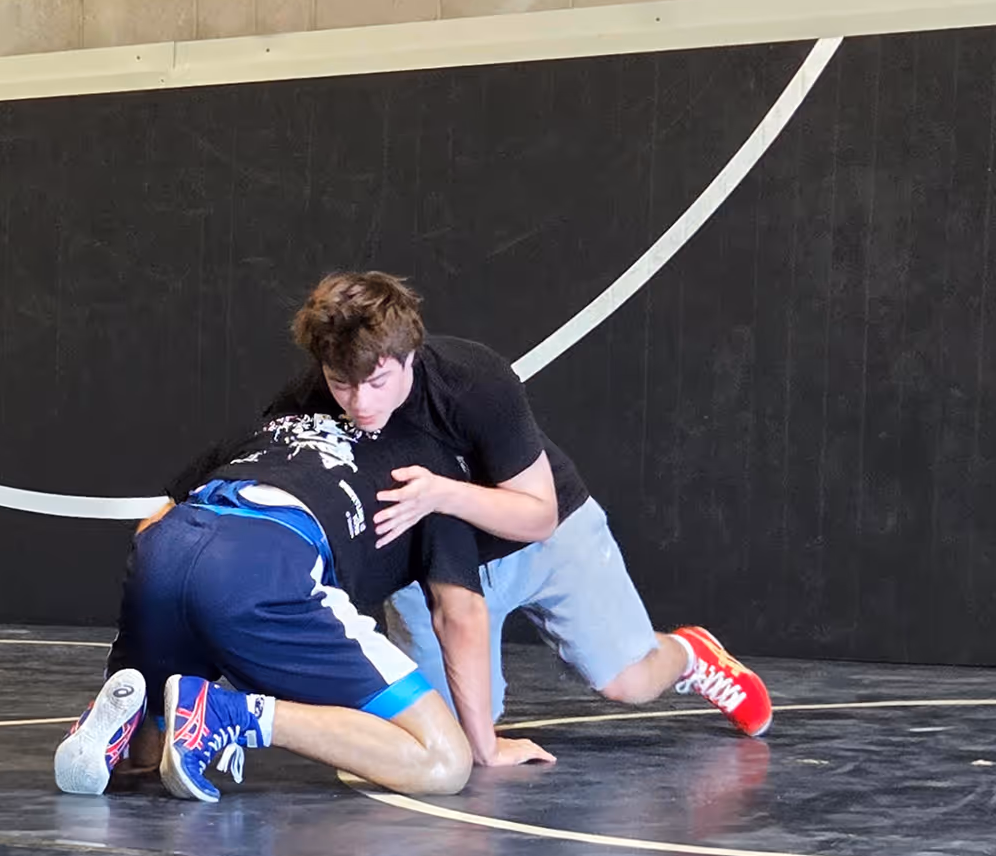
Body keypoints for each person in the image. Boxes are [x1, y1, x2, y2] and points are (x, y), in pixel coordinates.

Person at [269, 272, 770, 747]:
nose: (358, 404)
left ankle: (690, 654)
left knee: (628, 681)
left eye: (377, 383)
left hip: (543, 539)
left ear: (410, 357)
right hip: (435, 567)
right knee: (450, 738)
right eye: (341, 383)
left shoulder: (472, 379)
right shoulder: (306, 403)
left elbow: (539, 515)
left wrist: (441, 493)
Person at [54, 390, 553, 802]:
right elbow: (459, 613)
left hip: (167, 548)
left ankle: (125, 728)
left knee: (152, 747)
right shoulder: (433, 477)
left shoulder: (275, 426)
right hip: (264, 566)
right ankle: (228, 712)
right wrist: (485, 746)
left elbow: (151, 524)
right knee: (443, 760)